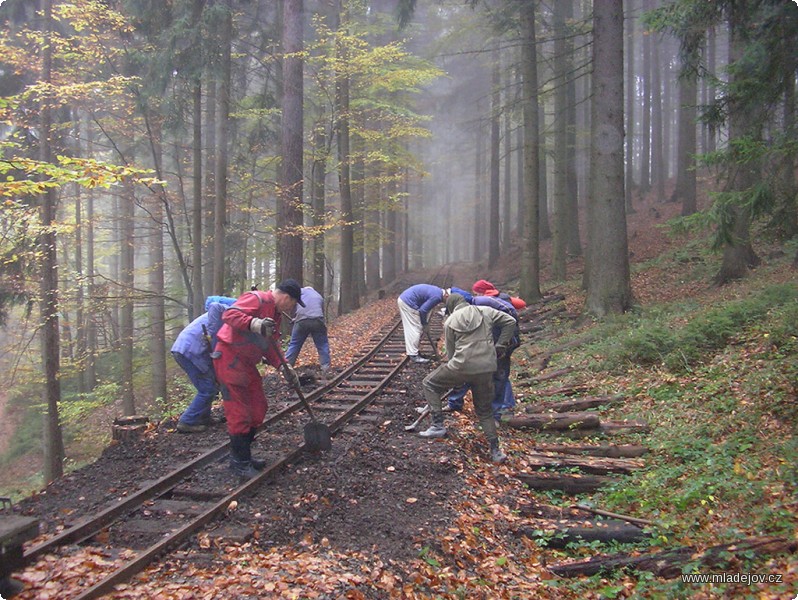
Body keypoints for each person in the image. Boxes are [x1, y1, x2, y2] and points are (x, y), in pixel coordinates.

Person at [213, 279, 305, 478]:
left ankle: (243, 455)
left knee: (258, 406)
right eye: (293, 303)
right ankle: (240, 462)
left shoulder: (275, 314)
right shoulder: (257, 299)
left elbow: (270, 345)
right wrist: (254, 323)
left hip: (246, 363)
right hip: (230, 358)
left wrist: (284, 366)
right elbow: (229, 314)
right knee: (239, 411)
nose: (292, 308)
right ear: (287, 298)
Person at [419, 293, 517, 464]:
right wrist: (501, 344)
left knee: (429, 383)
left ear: (451, 307)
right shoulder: (485, 311)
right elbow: (510, 321)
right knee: (485, 411)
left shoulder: (450, 321)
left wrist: (457, 377)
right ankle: (495, 452)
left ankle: (437, 426)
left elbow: (451, 353)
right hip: (487, 368)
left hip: (461, 367)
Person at [444, 292, 520, 421]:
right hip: (486, 344)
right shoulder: (479, 309)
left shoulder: (483, 308)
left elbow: (510, 319)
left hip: (498, 343)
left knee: (497, 377)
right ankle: (455, 403)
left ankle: (495, 415)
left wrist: (502, 343)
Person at [172, 296, 237, 433]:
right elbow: (215, 307)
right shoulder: (235, 309)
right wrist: (213, 334)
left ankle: (203, 417)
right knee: (207, 389)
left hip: (191, 349)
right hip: (189, 350)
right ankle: (186, 421)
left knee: (211, 384)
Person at [284, 286, 331, 378]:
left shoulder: (299, 292)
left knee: (294, 344)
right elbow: (316, 310)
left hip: (301, 321)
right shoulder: (318, 296)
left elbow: (297, 308)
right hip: (317, 320)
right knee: (322, 345)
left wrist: (296, 319)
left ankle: (287, 368)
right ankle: (326, 368)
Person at [397, 284, 448, 363]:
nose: (446, 302)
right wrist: (424, 324)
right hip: (408, 302)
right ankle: (413, 355)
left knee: (416, 328)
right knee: (415, 329)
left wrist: (425, 323)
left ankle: (414, 351)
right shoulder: (437, 297)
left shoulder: (438, 291)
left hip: (405, 299)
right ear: (446, 296)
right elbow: (423, 310)